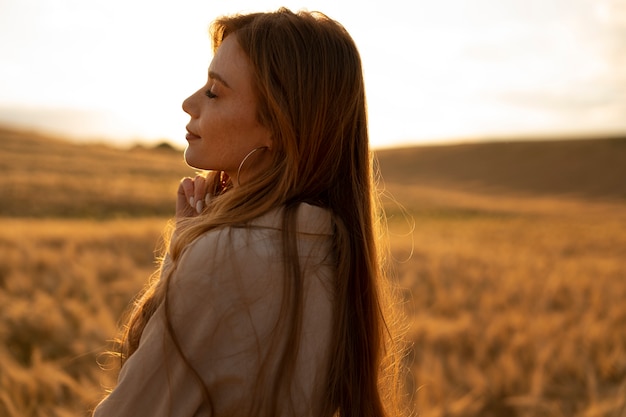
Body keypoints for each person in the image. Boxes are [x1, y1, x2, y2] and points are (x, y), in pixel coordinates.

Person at [93, 7, 405, 417]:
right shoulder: (333, 245)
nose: (189, 103)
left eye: (214, 92)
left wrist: (185, 258)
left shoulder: (224, 257)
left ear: (278, 123)